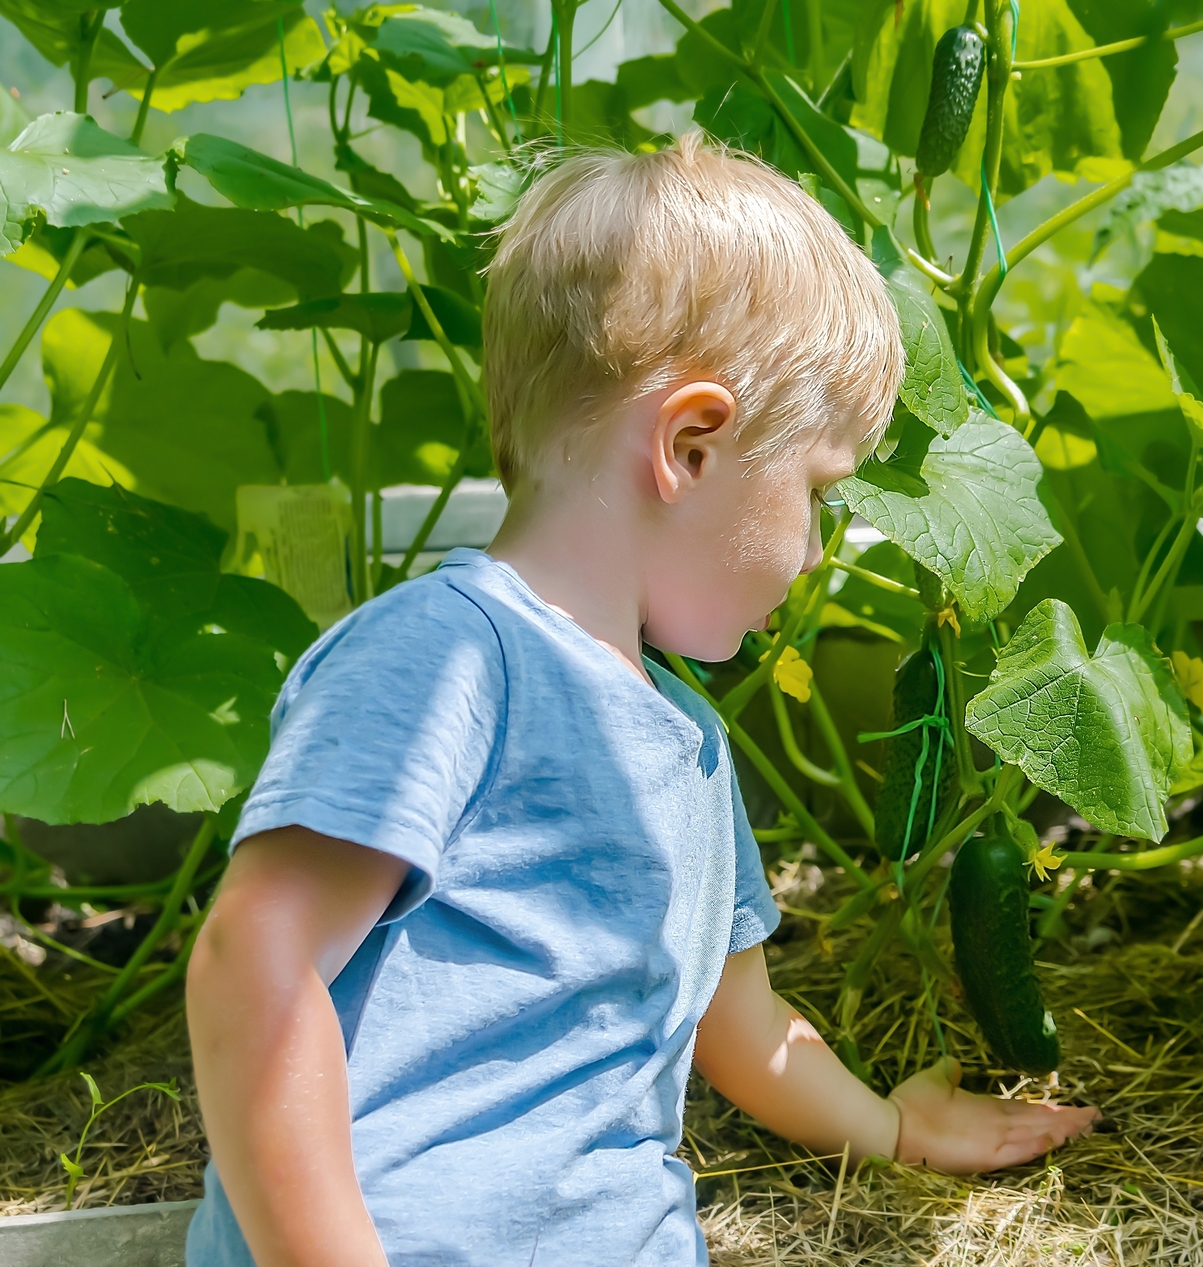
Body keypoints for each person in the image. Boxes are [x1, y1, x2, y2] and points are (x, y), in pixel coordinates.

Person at [183, 135, 1097, 1267]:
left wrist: (896, 1127)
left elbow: (745, 1026)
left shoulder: (688, 742)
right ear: (690, 446)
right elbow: (253, 964)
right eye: (815, 492)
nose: (815, 550)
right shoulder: (443, 658)